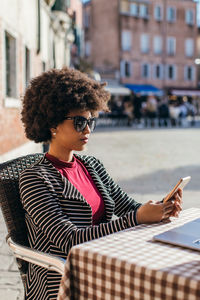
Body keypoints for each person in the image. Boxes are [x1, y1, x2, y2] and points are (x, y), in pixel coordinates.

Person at [19, 67, 182, 300]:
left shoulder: (91, 165)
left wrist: (162, 206)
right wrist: (136, 219)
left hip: (99, 269)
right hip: (62, 282)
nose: (87, 130)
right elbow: (69, 240)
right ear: (52, 125)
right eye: (78, 122)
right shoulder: (35, 178)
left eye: (89, 122)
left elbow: (128, 206)